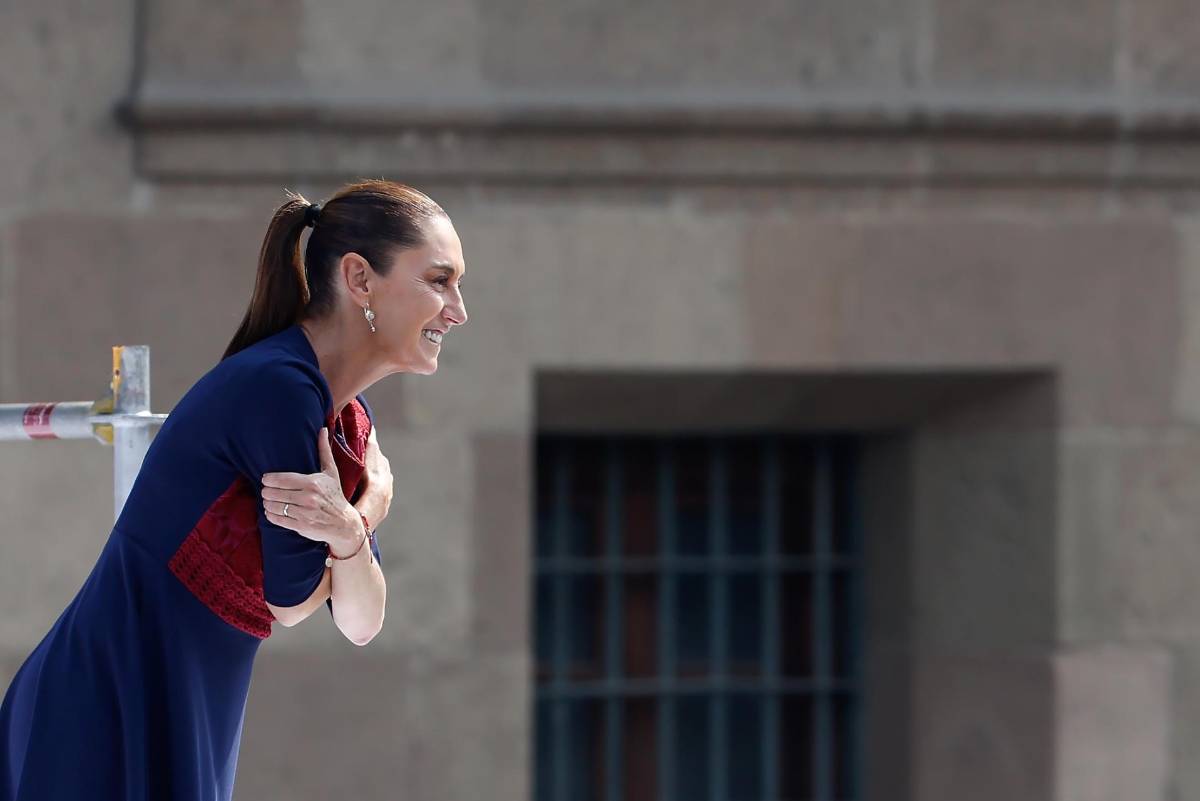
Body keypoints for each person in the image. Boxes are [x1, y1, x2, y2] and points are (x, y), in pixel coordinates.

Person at [0, 178, 468, 799]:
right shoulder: (279, 388)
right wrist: (370, 509)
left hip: (183, 705)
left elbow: (362, 622)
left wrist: (351, 531)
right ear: (359, 279)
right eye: (439, 281)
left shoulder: (347, 421)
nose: (458, 310)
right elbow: (291, 602)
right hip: (110, 702)